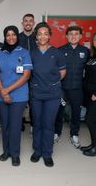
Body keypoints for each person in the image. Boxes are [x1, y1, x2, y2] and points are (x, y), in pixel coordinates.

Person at [0, 25, 32, 167]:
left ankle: (15, 154)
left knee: (15, 125)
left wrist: (7, 90)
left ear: (17, 36)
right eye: (8, 35)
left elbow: (26, 75)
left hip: (19, 96)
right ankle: (6, 151)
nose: (11, 37)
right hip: (1, 95)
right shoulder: (0, 53)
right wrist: (3, 90)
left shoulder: (24, 53)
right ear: (4, 37)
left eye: (13, 34)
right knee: (5, 124)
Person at [29, 22, 66, 167]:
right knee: (37, 123)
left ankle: (47, 153)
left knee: (48, 124)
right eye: (39, 34)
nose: (42, 36)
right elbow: (28, 74)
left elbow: (62, 73)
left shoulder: (57, 53)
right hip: (37, 94)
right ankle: (37, 150)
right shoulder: (32, 53)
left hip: (53, 94)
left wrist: (51, 83)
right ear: (36, 36)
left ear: (50, 35)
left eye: (45, 33)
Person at [54, 26, 89, 147]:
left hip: (77, 89)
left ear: (80, 36)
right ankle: (56, 132)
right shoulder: (60, 50)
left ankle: (74, 134)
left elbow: (89, 71)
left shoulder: (85, 51)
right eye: (71, 34)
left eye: (76, 34)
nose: (73, 36)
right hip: (62, 88)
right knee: (59, 111)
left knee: (76, 112)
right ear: (67, 36)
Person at [18, 13, 37, 133]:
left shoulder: (39, 37)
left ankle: (33, 126)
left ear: (33, 23)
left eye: (30, 21)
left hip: (36, 76)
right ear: (22, 23)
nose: (28, 23)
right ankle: (18, 123)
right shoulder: (17, 38)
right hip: (19, 75)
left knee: (34, 102)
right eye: (26, 21)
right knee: (19, 101)